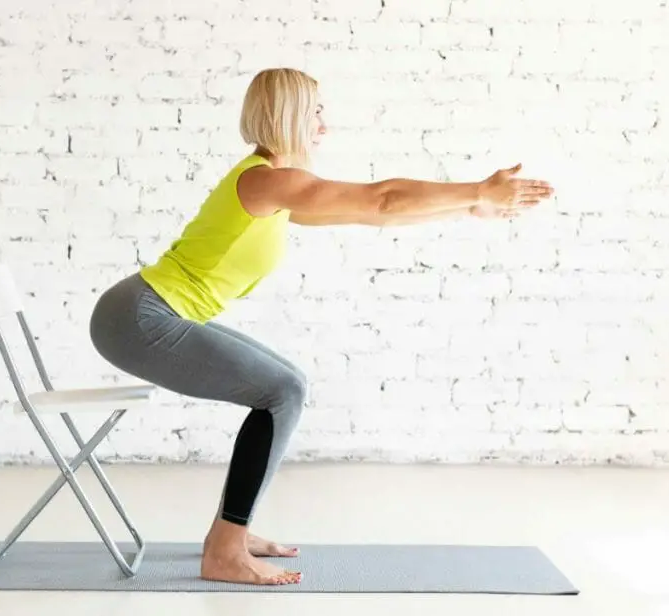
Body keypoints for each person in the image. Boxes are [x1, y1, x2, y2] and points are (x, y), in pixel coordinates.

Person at [88, 68, 554, 586]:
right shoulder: (267, 180)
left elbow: (376, 214)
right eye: (315, 112)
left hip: (148, 311)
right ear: (287, 113)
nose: (323, 126)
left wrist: (471, 205)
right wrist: (477, 187)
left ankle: (230, 534)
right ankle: (224, 549)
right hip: (138, 318)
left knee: (287, 384)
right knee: (282, 390)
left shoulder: (274, 187)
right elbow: (381, 198)